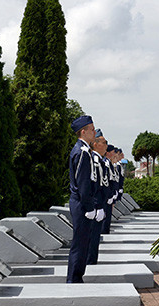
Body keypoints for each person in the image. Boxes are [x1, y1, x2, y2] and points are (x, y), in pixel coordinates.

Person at [66, 115, 102, 283]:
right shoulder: (81, 152)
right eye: (92, 129)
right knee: (79, 243)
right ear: (83, 131)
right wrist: (88, 207)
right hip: (81, 204)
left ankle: (77, 276)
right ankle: (73, 278)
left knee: (83, 241)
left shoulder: (85, 151)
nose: (94, 132)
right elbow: (83, 183)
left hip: (83, 202)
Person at [87, 131, 110, 265]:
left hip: (100, 204)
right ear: (95, 144)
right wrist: (97, 206)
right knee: (92, 237)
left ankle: (91, 261)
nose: (106, 146)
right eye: (104, 143)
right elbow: (94, 185)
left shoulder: (99, 160)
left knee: (95, 237)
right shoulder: (94, 160)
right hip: (96, 205)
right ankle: (90, 263)